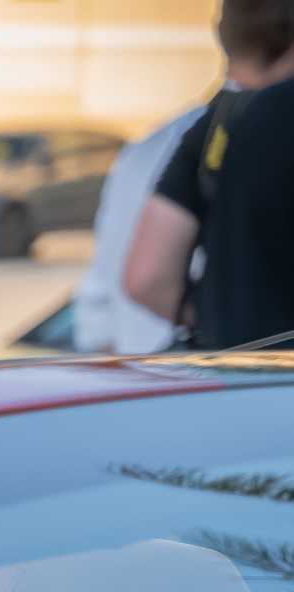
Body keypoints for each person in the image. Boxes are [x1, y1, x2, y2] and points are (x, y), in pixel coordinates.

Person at [123, 0, 294, 350]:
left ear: (221, 33)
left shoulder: (220, 123)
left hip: (238, 379)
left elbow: (146, 277)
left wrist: (224, 319)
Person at [75, 102, 209, 353]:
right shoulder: (238, 131)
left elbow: (98, 306)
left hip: (146, 373)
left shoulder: (150, 144)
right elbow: (147, 281)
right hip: (234, 374)